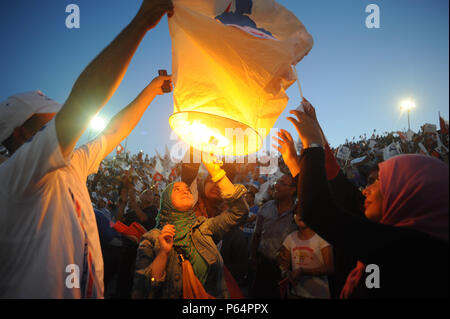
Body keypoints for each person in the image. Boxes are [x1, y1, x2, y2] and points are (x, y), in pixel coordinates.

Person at [0, 0, 174, 298]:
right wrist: (141, 24)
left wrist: (151, 90)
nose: (67, 126)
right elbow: (85, 99)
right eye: (52, 121)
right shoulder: (13, 176)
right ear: (21, 134)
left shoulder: (70, 165)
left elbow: (113, 131)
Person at [285, 99, 449, 298]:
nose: (365, 190)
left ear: (410, 193)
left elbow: (318, 210)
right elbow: (336, 186)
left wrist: (313, 144)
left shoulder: (417, 251)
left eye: (380, 181)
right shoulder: (385, 235)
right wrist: (296, 164)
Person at [131, 155, 249, 299]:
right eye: (177, 189)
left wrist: (217, 173)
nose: (186, 190)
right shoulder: (152, 238)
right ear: (167, 201)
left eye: (187, 189)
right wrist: (162, 254)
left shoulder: (204, 227)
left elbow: (240, 211)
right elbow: (143, 290)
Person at [248, 173, 298, 299]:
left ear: (293, 190)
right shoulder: (265, 207)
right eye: (277, 182)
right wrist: (253, 256)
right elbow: (257, 234)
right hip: (262, 263)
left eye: (282, 183)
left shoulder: (297, 213)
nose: (276, 186)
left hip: (284, 270)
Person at [277, 212, 334, 299]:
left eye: (304, 212)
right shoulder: (291, 238)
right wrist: (285, 272)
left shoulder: (321, 238)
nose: (301, 215)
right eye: (297, 213)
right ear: (294, 217)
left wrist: (303, 271)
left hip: (318, 294)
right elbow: (283, 263)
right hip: (296, 293)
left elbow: (329, 268)